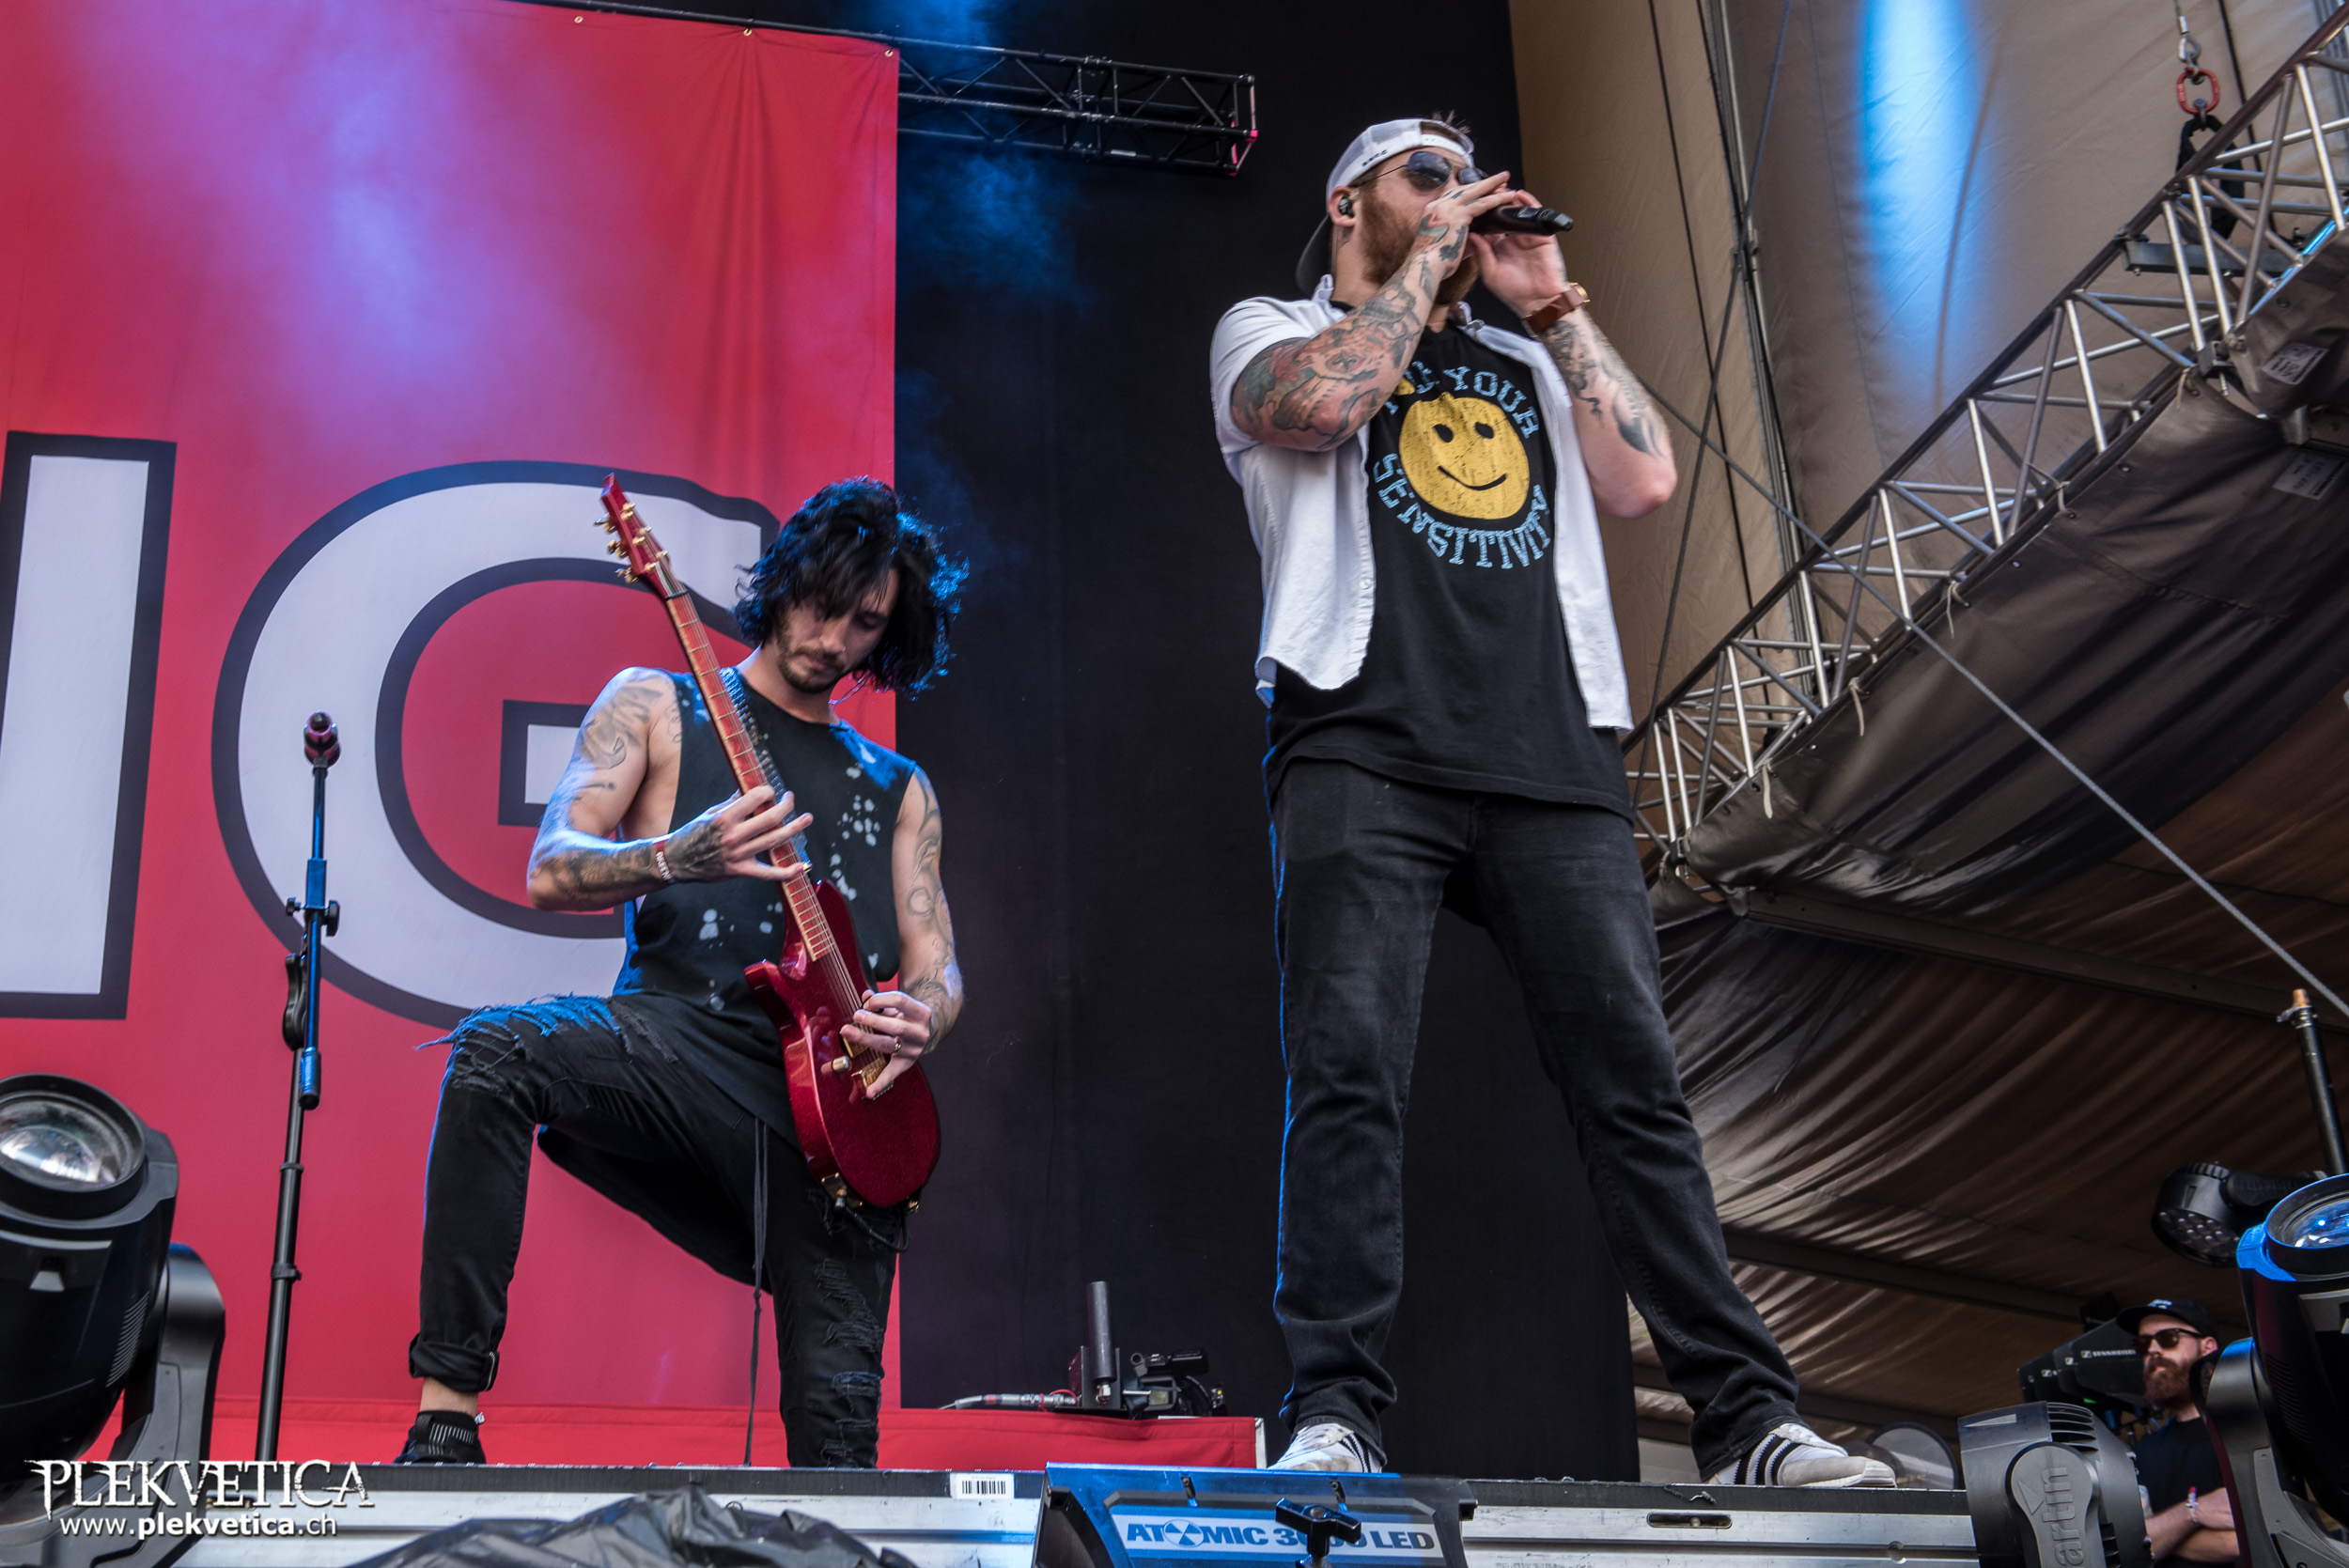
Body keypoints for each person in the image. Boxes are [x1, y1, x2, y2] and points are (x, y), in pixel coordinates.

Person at [1207, 116, 1889, 1486]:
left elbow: (1644, 479)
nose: (1458, 195)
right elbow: (1322, 410)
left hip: (1550, 758)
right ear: (1347, 204)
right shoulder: (1269, 329)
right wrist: (1432, 260)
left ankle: (1748, 1421)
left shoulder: (1523, 359)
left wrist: (1552, 303)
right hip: (1362, 742)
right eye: (1426, 176)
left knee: (1635, 1088)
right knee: (1347, 1078)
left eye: (1469, 178)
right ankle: (1335, 1413)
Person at [395, 478, 966, 1467]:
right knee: (492, 1053)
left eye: (865, 623)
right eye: (822, 604)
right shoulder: (656, 704)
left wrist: (922, 1017)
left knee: (841, 1459)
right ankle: (447, 1415)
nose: (834, 638)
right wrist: (675, 855)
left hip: (832, 1123)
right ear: (784, 583)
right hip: (674, 1048)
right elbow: (550, 867)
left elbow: (938, 967)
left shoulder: (900, 786)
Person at [2122, 1298, 2238, 1562]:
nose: (2153, 1350)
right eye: (2143, 1344)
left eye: (2168, 1338)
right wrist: (2192, 1512)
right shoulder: (2144, 1451)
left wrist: (2159, 1533)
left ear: (2207, 1347)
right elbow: (2131, 1547)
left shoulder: (2243, 1428)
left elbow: (2239, 1543)